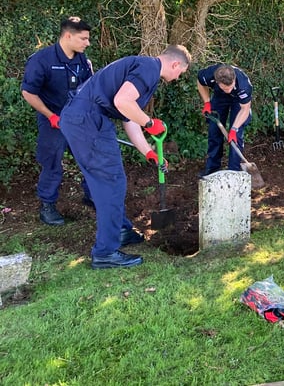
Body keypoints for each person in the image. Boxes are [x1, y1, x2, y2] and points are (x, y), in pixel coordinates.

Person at [60, 45, 192, 269]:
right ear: (175, 64)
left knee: (108, 181)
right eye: (181, 73)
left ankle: (121, 231)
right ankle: (105, 252)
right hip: (89, 121)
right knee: (111, 183)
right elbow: (123, 102)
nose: (178, 77)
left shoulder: (142, 67)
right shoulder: (150, 68)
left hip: (82, 119)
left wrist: (148, 152)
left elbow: (128, 117)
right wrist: (150, 123)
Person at [21, 16, 95, 226]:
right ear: (68, 36)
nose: (87, 43)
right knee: (52, 162)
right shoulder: (42, 60)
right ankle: (47, 206)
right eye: (83, 39)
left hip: (77, 120)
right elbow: (28, 93)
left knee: (89, 157)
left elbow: (90, 90)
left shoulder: (83, 61)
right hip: (52, 119)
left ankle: (92, 196)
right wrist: (51, 115)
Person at [197, 64, 253, 176]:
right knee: (214, 131)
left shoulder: (244, 85)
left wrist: (233, 129)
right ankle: (212, 169)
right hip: (219, 98)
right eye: (225, 88)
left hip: (238, 102)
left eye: (230, 87)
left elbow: (245, 109)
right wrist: (207, 102)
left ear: (234, 79)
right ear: (217, 82)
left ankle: (234, 171)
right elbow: (200, 82)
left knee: (236, 136)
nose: (228, 90)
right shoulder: (208, 74)